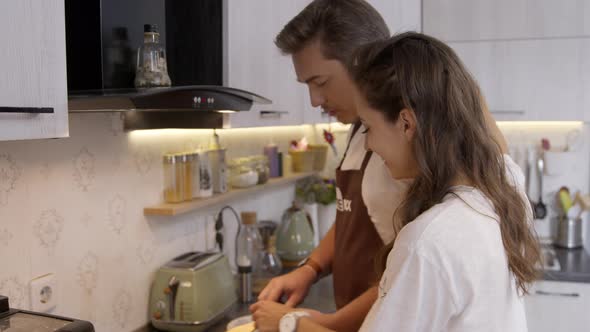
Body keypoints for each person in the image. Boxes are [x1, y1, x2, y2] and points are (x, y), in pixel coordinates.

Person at [253, 31, 542, 332]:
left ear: (406, 123)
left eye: (369, 127)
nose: (369, 145)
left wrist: (289, 323)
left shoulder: (428, 242)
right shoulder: (503, 186)